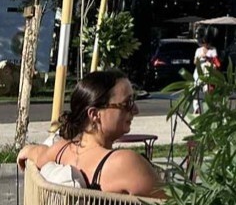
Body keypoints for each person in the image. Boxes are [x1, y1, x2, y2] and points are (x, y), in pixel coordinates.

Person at [17, 70, 164, 197]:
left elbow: (37, 153)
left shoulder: (60, 150)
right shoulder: (124, 164)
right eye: (127, 103)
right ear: (94, 114)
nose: (136, 110)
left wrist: (27, 150)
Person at [193, 33, 220, 114]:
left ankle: (208, 108)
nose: (206, 45)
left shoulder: (213, 50)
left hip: (208, 72)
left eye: (208, 43)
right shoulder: (198, 50)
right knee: (196, 89)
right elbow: (194, 61)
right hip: (199, 71)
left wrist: (208, 58)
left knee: (207, 90)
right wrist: (200, 56)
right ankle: (196, 108)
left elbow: (216, 61)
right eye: (204, 43)